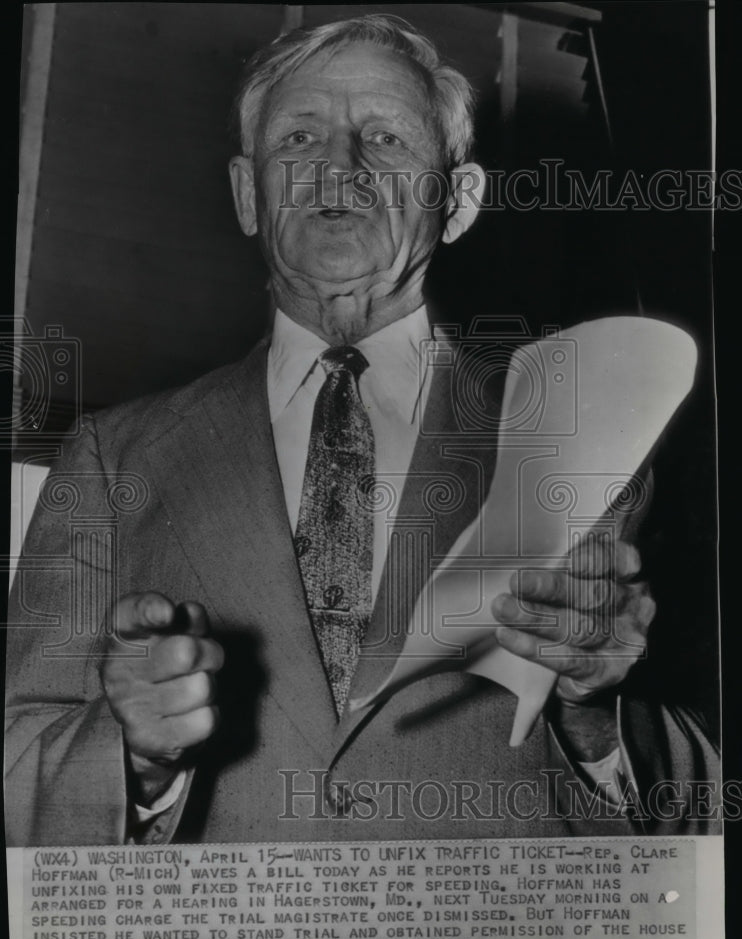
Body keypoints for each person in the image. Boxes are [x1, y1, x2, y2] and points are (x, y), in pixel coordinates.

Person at [5, 15, 719, 846]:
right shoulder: (108, 456)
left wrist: (596, 713)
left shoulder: (591, 440)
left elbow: (698, 811)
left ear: (458, 203)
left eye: (384, 138)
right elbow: (18, 777)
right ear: (248, 193)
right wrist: (134, 756)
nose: (337, 167)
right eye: (301, 135)